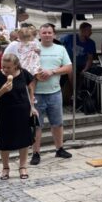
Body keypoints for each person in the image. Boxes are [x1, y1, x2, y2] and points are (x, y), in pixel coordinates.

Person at [31, 24, 72, 166]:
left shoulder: (60, 49)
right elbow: (26, 67)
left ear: (54, 35)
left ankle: (59, 148)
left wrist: (52, 72)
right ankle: (35, 152)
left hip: (55, 92)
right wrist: (37, 73)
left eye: (49, 32)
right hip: (36, 93)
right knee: (36, 125)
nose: (47, 35)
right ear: (39, 34)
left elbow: (68, 67)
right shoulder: (34, 48)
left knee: (58, 123)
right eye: (44, 32)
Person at [0, 53, 33, 181]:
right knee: (4, 139)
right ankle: (5, 167)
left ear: (16, 66)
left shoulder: (24, 73)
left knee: (24, 138)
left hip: (23, 110)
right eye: (4, 67)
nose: (6, 70)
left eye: (9, 67)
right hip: (4, 111)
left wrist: (32, 106)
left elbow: (31, 87)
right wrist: (2, 90)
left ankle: (23, 166)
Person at [60, 22, 95, 96]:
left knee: (85, 74)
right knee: (71, 69)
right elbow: (58, 45)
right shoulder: (69, 38)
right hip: (69, 63)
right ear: (82, 30)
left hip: (82, 65)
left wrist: (85, 69)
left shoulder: (91, 43)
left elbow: (90, 59)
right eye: (89, 30)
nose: (91, 32)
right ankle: (74, 92)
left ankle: (80, 93)